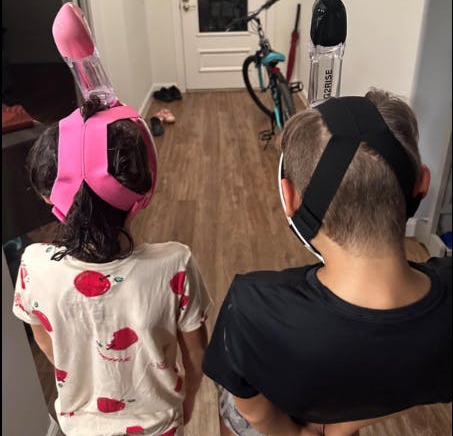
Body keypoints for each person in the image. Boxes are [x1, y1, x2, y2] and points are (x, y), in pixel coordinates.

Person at [203, 89, 452, 436]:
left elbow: (252, 409)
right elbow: (420, 384)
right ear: (422, 184)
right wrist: (340, 427)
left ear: (289, 199)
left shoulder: (251, 305)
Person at [12, 97, 212, 436]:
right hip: (160, 426)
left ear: (49, 196)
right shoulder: (175, 264)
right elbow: (197, 356)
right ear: (144, 189)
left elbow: (45, 339)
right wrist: (189, 396)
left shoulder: (33, 266)